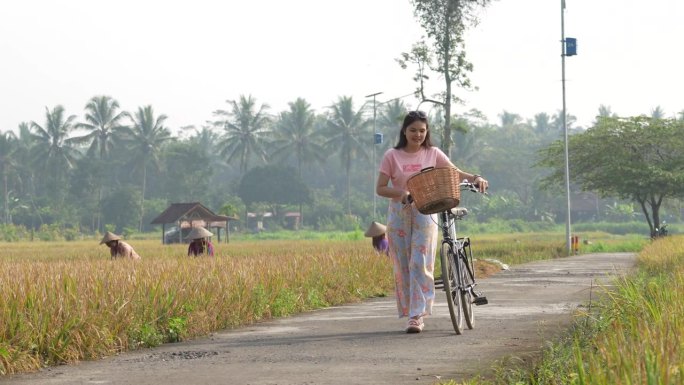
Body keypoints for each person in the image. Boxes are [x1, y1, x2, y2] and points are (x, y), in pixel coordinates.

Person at [375, 110, 488, 333]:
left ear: (427, 133)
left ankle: (417, 315)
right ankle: (411, 311)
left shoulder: (433, 153)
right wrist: (402, 193)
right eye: (413, 130)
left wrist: (475, 178)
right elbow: (380, 188)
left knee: (419, 262)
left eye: (422, 131)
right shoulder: (392, 155)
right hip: (399, 214)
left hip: (425, 212)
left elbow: (455, 173)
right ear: (404, 131)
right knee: (403, 266)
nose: (417, 134)